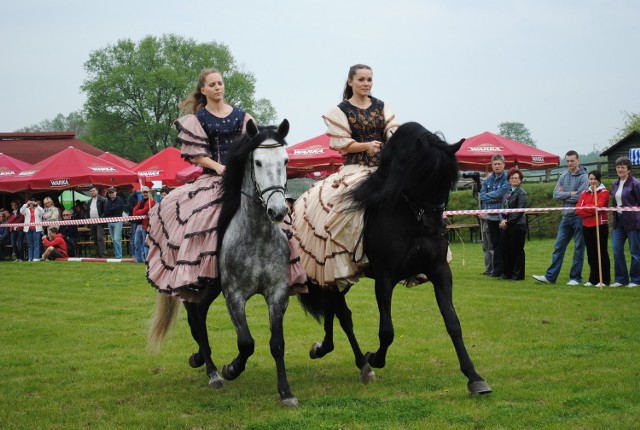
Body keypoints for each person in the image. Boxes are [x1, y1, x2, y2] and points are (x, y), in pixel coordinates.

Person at [146, 67, 305, 300]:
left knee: (281, 221)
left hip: (243, 180)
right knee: (202, 220)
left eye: (220, 83)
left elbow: (255, 147)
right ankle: (202, 269)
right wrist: (218, 167)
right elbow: (196, 154)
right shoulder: (197, 119)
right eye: (212, 85)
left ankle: (285, 270)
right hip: (213, 178)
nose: (217, 87)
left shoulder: (243, 116)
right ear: (203, 90)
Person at [292, 64, 401, 288]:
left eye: (369, 79)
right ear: (350, 81)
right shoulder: (340, 111)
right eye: (361, 79)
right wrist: (365, 146)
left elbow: (392, 128)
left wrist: (393, 137)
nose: (366, 83)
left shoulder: (382, 106)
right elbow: (341, 144)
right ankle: (351, 254)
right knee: (344, 206)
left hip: (384, 167)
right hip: (357, 168)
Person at [533, 150, 588, 285]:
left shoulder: (584, 177)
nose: (570, 163)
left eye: (572, 161)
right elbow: (555, 194)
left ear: (578, 160)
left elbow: (581, 196)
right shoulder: (563, 176)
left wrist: (566, 194)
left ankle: (575, 278)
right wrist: (570, 193)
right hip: (565, 217)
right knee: (558, 246)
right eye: (568, 161)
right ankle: (550, 277)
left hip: (579, 217)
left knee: (578, 248)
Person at [576, 170, 611, 287]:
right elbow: (578, 209)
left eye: (594, 179)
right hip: (587, 226)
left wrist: (587, 208)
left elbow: (599, 207)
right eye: (590, 179)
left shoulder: (604, 192)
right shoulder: (585, 193)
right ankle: (593, 278)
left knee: (601, 252)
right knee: (591, 253)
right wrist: (590, 211)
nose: (592, 181)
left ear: (599, 179)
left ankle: (604, 279)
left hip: (600, 225)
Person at [610, 156, 640, 288]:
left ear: (628, 169)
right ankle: (621, 279)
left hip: (633, 221)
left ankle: (636, 279)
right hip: (619, 221)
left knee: (635, 251)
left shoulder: (636, 184)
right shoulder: (615, 184)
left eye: (623, 167)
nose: (620, 169)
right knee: (616, 249)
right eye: (618, 167)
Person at [480, 155, 510, 277]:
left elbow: (502, 193)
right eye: (494, 164)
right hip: (490, 217)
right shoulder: (488, 180)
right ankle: (496, 270)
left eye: (499, 164)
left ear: (504, 164)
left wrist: (491, 196)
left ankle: (503, 269)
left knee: (503, 244)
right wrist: (494, 197)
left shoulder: (507, 178)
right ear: (491, 165)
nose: (497, 166)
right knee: (494, 244)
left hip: (502, 216)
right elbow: (482, 196)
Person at [498, 167, 528, 281]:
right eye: (512, 178)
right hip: (505, 226)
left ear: (520, 180)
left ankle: (517, 275)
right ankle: (506, 273)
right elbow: (501, 209)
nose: (514, 179)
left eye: (516, 178)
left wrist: (508, 223)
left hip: (517, 226)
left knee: (517, 250)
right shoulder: (507, 193)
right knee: (505, 249)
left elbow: (519, 212)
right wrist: (502, 220)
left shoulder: (522, 193)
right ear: (509, 179)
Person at [133, 186, 155, 263]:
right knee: (136, 242)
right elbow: (134, 211)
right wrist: (139, 212)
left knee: (145, 243)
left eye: (146, 192)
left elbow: (145, 211)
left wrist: (138, 212)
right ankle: (139, 259)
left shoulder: (151, 202)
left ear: (149, 193)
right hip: (139, 225)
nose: (145, 194)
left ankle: (147, 259)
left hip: (146, 225)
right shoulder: (140, 202)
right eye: (144, 192)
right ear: (142, 193)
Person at [20, 197, 44, 262]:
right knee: (30, 244)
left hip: (36, 228)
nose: (31, 204)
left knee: (36, 244)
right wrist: (26, 204)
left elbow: (42, 212)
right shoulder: (26, 209)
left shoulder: (38, 209)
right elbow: (21, 211)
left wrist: (37, 205)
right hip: (28, 229)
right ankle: (30, 258)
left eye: (33, 203)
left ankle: (35, 258)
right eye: (31, 203)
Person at [104, 187, 125, 259]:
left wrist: (110, 210)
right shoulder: (108, 202)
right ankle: (117, 255)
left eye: (112, 192)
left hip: (118, 222)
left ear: (116, 192)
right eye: (110, 193)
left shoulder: (120, 200)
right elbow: (106, 211)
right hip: (110, 222)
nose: (111, 194)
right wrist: (112, 210)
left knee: (116, 239)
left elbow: (118, 209)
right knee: (113, 240)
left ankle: (119, 256)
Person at [88, 187, 107, 258]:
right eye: (91, 191)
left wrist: (101, 219)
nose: (92, 192)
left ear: (97, 191)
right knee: (94, 238)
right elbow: (88, 211)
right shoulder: (89, 201)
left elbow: (105, 211)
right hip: (92, 222)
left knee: (100, 238)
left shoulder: (103, 200)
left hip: (100, 222)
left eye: (93, 191)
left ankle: (103, 254)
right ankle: (98, 254)